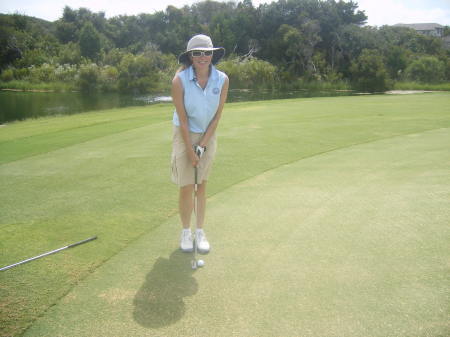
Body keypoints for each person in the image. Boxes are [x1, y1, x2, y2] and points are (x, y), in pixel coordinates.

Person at [171, 34, 229, 254]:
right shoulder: (179, 80)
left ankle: (200, 231)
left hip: (208, 134)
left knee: (201, 185)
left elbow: (217, 117)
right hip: (184, 133)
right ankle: (186, 231)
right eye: (197, 53)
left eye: (207, 52)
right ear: (190, 56)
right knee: (187, 186)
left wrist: (203, 145)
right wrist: (190, 150)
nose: (203, 56)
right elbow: (183, 120)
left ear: (212, 54)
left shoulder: (222, 79)